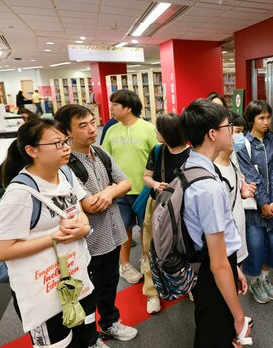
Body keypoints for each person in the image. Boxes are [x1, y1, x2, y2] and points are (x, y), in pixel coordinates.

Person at [0, 118, 107, 347]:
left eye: (66, 141)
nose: (66, 147)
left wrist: (84, 227)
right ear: (32, 150)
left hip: (76, 275)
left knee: (85, 335)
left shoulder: (66, 173)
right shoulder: (19, 195)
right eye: (57, 143)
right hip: (43, 289)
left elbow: (80, 211)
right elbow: (3, 250)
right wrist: (52, 238)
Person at [54, 105, 138, 342]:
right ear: (66, 133)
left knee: (109, 284)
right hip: (87, 241)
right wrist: (113, 189)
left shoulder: (100, 152)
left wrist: (110, 192)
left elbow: (127, 183)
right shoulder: (65, 165)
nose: (92, 129)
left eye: (92, 122)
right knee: (87, 291)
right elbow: (89, 205)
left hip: (112, 234)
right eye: (83, 125)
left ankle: (110, 323)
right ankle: (90, 338)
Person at [181, 99, 251, 347]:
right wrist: (240, 318)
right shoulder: (209, 187)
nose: (232, 132)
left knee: (207, 329)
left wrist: (236, 269)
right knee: (216, 334)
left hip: (206, 265)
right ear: (212, 134)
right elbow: (219, 263)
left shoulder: (191, 166)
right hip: (212, 272)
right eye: (227, 126)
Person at [102, 89, 157, 284]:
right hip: (120, 191)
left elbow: (156, 155)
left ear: (127, 108)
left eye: (115, 105)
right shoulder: (111, 130)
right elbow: (104, 159)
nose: (111, 109)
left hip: (144, 190)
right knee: (123, 229)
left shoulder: (148, 128)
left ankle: (145, 258)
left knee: (145, 228)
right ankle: (124, 264)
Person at [236, 100, 273, 304]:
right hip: (254, 206)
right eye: (261, 118)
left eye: (268, 117)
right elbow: (249, 175)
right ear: (251, 120)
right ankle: (256, 281)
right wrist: (263, 202)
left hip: (272, 206)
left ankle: (265, 279)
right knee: (256, 245)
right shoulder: (242, 143)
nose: (266, 122)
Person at [141, 112, 190, 314]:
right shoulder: (158, 150)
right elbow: (146, 176)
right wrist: (154, 184)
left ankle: (187, 283)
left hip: (183, 210)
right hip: (157, 208)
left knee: (185, 248)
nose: (156, 133)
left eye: (158, 130)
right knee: (150, 250)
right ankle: (152, 292)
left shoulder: (192, 153)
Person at [214, 111, 256, 266]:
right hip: (226, 249)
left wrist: (242, 191)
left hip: (237, 239)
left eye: (242, 132)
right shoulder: (215, 172)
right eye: (237, 132)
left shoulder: (232, 163)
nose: (242, 138)